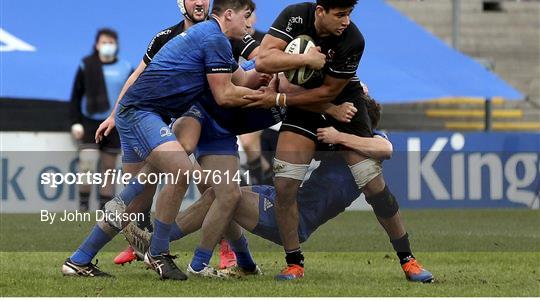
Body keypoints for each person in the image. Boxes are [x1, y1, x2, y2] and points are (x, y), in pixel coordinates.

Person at [62, 0, 261, 281]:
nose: (249, 25)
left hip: (148, 114)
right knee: (180, 172)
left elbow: (245, 75)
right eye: (246, 18)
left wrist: (267, 68)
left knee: (138, 201)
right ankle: (158, 252)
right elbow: (224, 93)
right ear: (228, 14)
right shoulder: (204, 37)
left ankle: (80, 259)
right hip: (142, 113)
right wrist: (278, 96)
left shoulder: (211, 36)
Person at [123, 95, 434, 283]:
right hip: (282, 199)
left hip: (292, 220)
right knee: (222, 194)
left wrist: (340, 136)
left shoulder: (368, 145)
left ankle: (164, 249)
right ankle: (239, 263)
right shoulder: (348, 143)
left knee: (222, 195)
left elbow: (386, 148)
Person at [244, 0, 425, 281]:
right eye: (340, 14)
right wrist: (306, 60)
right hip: (304, 106)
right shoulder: (294, 16)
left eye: (349, 14)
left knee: (372, 184)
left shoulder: (353, 40)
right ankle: (294, 263)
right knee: (285, 185)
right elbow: (262, 62)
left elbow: (328, 93)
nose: (346, 21)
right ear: (319, 11)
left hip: (344, 105)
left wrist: (280, 97)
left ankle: (408, 259)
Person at [69, 28, 132, 211]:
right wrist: (75, 122)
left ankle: (104, 209)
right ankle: (83, 206)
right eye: (104, 42)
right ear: (97, 45)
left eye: (111, 42)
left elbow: (133, 94)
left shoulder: (126, 68)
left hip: (114, 123)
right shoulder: (86, 65)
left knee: (109, 168)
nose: (107, 46)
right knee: (87, 164)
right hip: (89, 122)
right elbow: (75, 97)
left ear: (116, 45)